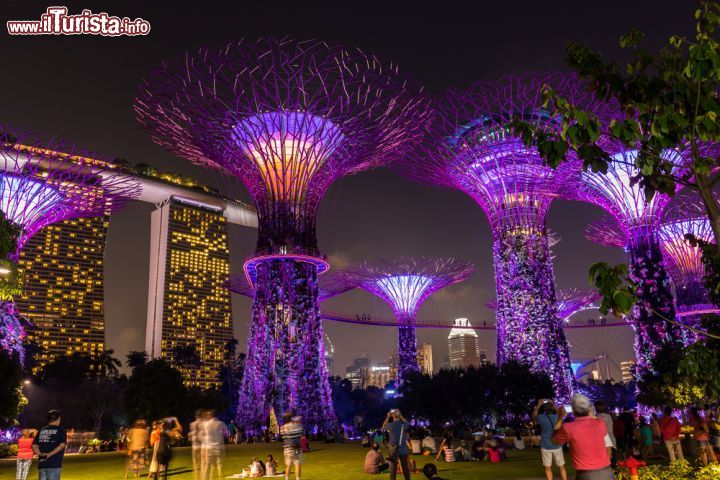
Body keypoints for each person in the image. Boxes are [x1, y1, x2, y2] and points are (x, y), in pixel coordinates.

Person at [552, 394, 612, 480]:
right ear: (589, 409)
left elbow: (554, 440)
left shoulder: (569, 428)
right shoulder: (600, 423)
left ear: (573, 410)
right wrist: (589, 411)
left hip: (586, 474)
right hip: (606, 472)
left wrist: (560, 417)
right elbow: (594, 419)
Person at [532, 399, 567, 480]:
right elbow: (561, 412)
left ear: (544, 409)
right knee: (562, 467)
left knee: (548, 468)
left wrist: (539, 405)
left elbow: (534, 415)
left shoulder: (541, 417)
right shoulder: (558, 416)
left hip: (546, 446)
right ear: (553, 408)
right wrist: (552, 403)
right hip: (557, 444)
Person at [32, 410, 67, 480]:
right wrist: (49, 455)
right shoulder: (61, 430)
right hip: (54, 465)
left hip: (42, 465)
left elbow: (34, 445)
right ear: (58, 419)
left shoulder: (41, 430)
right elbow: (62, 445)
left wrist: (40, 455)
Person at [382, 409, 410, 480]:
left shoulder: (390, 425)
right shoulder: (403, 425)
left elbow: (383, 427)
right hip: (403, 448)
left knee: (393, 470)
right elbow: (408, 423)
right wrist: (400, 416)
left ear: (392, 416)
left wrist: (388, 417)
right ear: (399, 415)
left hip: (393, 449)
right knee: (405, 468)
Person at [202, 410, 229, 480]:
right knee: (220, 466)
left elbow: (204, 435)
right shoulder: (221, 423)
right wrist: (222, 433)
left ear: (209, 416)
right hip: (219, 447)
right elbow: (227, 434)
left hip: (209, 448)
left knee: (208, 466)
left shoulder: (206, 424)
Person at [280, 412, 304, 480]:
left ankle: (287, 478)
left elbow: (282, 436)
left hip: (287, 448)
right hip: (296, 447)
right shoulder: (296, 425)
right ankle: (298, 479)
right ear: (291, 418)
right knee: (297, 464)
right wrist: (297, 421)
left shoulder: (282, 428)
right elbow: (301, 431)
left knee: (288, 465)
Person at [594, 401, 616, 467]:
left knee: (603, 465)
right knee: (613, 464)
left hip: (600, 443)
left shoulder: (595, 418)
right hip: (611, 442)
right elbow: (610, 429)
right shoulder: (608, 416)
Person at [189, 411, 205, 480]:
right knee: (202, 464)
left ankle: (196, 478)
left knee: (195, 465)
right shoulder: (203, 424)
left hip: (194, 446)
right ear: (201, 416)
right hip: (201, 446)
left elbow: (190, 438)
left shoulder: (192, 424)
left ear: (196, 416)